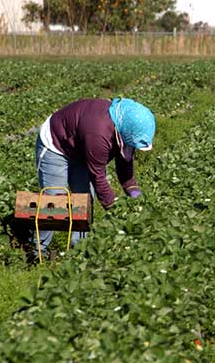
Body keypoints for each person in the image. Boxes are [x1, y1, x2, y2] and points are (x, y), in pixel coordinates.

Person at [32, 97, 155, 259]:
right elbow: (98, 176)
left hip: (81, 148)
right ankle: (37, 252)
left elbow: (125, 165)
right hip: (56, 144)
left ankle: (77, 251)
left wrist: (134, 191)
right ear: (125, 132)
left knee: (84, 200)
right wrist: (116, 210)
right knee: (55, 201)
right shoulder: (99, 133)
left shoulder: (123, 126)